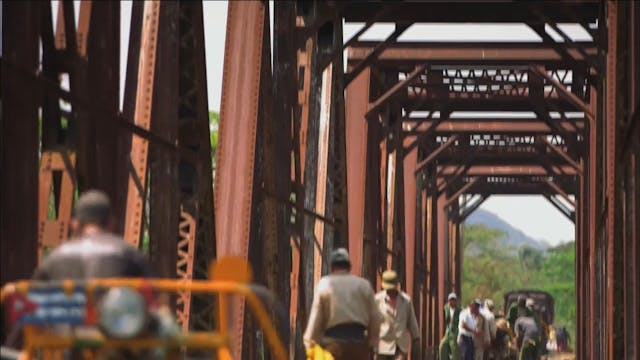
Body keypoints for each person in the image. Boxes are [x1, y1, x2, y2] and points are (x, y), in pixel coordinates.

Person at [33, 190, 150, 280]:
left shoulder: (54, 259)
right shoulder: (130, 255)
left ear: (75, 224)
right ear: (111, 223)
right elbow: (153, 301)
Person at [304, 248, 382, 359]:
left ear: (332, 267)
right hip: (358, 344)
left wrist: (308, 342)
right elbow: (376, 317)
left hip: (334, 344)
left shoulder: (324, 284)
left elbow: (316, 318)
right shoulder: (364, 285)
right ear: (349, 267)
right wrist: (372, 343)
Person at [374, 270, 420, 360]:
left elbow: (412, 321)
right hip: (382, 345)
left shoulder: (406, 301)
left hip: (400, 346)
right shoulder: (377, 300)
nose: (390, 291)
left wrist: (416, 338)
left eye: (392, 288)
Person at [439, 292, 461, 360]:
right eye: (451, 300)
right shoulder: (446, 308)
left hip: (455, 332)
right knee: (442, 346)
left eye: (454, 300)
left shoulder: (459, 310)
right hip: (448, 332)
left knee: (454, 349)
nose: (452, 301)